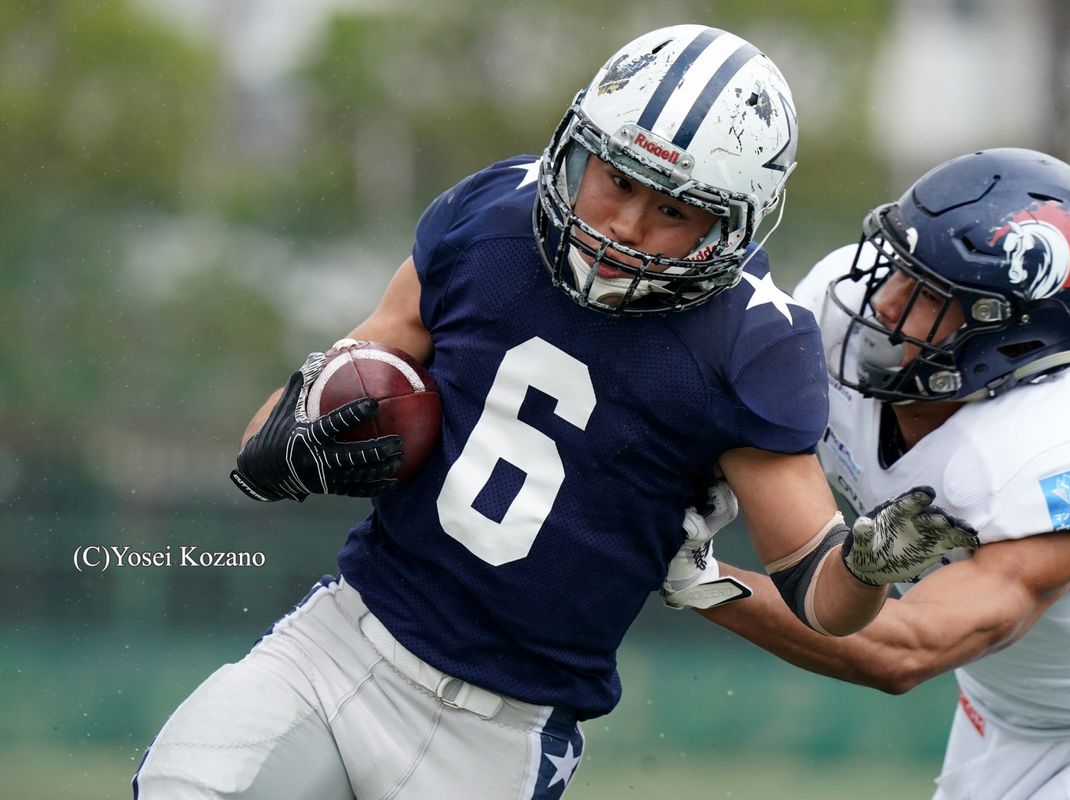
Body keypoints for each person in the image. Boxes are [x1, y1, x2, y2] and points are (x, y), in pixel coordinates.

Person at [133, 25, 974, 799]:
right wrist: (281, 447)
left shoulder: (754, 339)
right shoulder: (492, 217)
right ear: (580, 149)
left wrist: (865, 570)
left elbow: (818, 596)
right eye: (617, 179)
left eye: (674, 210)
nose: (626, 225)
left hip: (503, 735)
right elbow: (314, 394)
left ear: (733, 221)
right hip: (343, 643)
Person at [668, 148, 1070, 799]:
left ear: (1006, 338)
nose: (885, 301)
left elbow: (903, 651)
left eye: (929, 294)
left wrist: (699, 578)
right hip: (1005, 710)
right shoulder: (843, 311)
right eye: (898, 266)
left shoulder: (1050, 464)